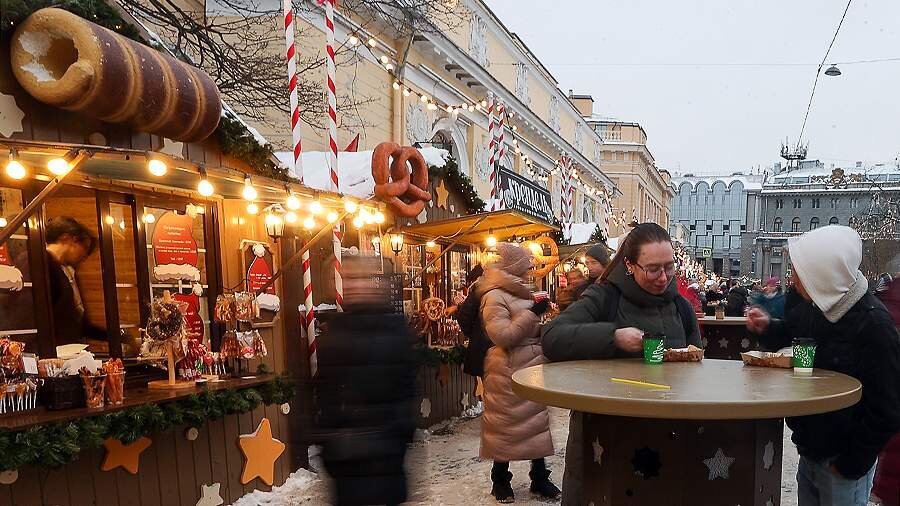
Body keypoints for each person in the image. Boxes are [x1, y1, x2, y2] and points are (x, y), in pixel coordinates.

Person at [541, 223, 701, 505]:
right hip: (606, 433)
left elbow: (696, 359)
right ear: (629, 264)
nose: (664, 277)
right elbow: (553, 337)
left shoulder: (681, 306)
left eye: (669, 267)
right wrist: (612, 337)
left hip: (668, 430)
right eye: (653, 269)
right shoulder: (605, 296)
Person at [746, 226, 900, 506]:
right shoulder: (816, 307)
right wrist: (767, 328)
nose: (792, 280)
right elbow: (795, 336)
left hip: (844, 462)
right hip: (811, 448)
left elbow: (887, 409)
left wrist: (850, 464)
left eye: (799, 272)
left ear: (823, 276)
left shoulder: (875, 326)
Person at [316, 256, 417, 506]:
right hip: (347, 451)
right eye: (349, 279)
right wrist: (327, 441)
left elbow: (407, 386)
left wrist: (402, 432)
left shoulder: (395, 329)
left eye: (362, 278)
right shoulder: (336, 332)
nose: (356, 286)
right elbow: (324, 392)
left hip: (386, 448)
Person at [475, 242, 559, 503]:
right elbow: (503, 335)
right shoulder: (494, 296)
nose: (530, 272)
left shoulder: (523, 292)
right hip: (506, 369)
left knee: (535, 425)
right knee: (505, 426)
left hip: (532, 367)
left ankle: (539, 477)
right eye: (526, 267)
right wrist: (534, 313)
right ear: (514, 268)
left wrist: (549, 321)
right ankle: (500, 479)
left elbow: (528, 328)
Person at [45, 216, 105, 345]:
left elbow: (79, 322)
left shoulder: (68, 270)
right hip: (56, 352)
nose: (84, 255)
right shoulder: (41, 263)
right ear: (68, 239)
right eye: (84, 247)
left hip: (71, 349)